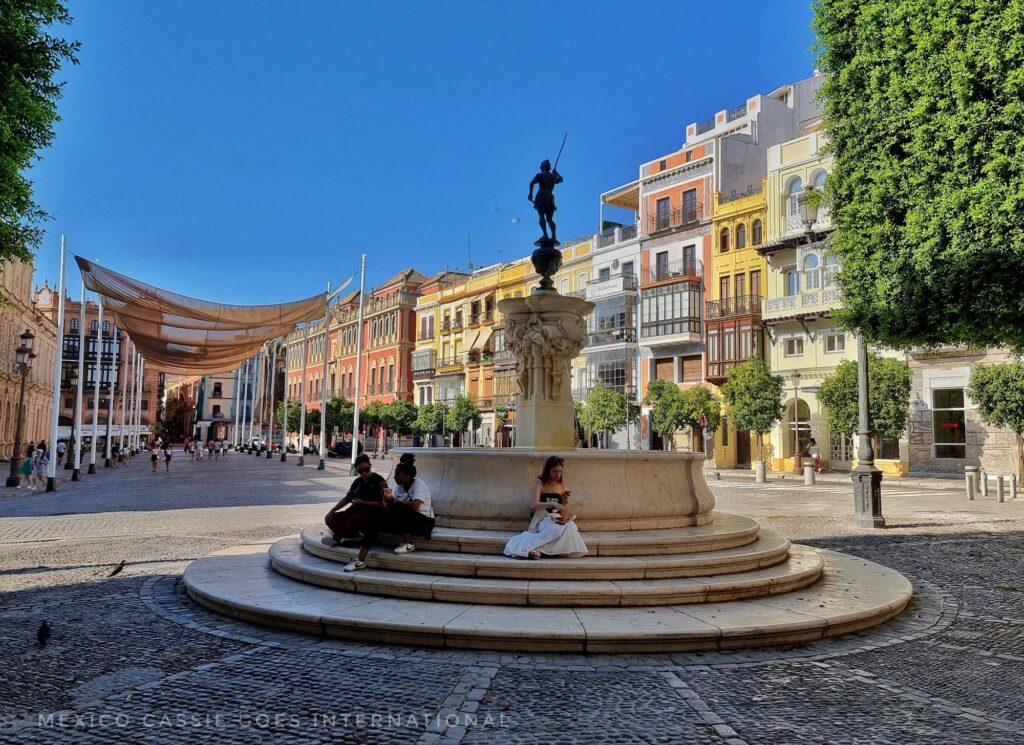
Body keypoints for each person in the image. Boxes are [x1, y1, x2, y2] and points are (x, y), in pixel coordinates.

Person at [343, 453, 435, 571]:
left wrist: (393, 501)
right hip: (404, 521)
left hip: (424, 522)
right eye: (395, 473)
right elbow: (391, 505)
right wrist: (386, 501)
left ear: (407, 475)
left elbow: (414, 507)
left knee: (396, 510)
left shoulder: (419, 484)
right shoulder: (398, 486)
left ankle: (409, 544)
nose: (395, 476)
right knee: (375, 521)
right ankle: (360, 561)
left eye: (398, 474)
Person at [503, 456, 588, 560]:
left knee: (571, 526)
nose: (558, 475)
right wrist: (552, 504)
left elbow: (563, 512)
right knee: (555, 530)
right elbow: (535, 505)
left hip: (556, 517)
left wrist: (564, 502)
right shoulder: (540, 483)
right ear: (548, 470)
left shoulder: (560, 485)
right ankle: (529, 548)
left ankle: (540, 549)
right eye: (555, 471)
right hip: (542, 517)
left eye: (560, 472)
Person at [322, 454, 388, 563]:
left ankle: (337, 537)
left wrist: (365, 503)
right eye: (360, 471)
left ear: (370, 466)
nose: (364, 473)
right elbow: (347, 498)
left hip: (373, 512)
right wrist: (332, 510)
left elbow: (385, 504)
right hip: (356, 509)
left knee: (356, 518)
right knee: (331, 518)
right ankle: (351, 535)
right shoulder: (357, 482)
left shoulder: (380, 481)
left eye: (366, 469)